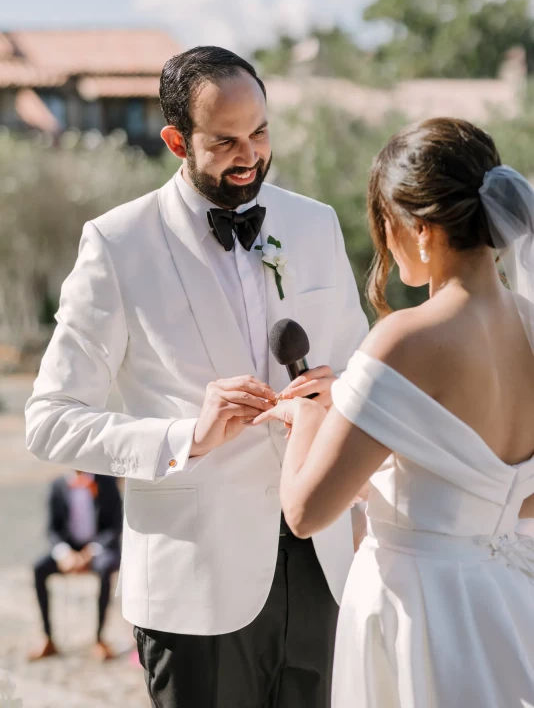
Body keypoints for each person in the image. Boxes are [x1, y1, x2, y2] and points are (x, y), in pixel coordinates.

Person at [25, 46, 369, 707]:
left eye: (261, 132)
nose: (250, 156)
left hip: (325, 571)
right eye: (226, 141)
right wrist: (187, 435)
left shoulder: (315, 224)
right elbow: (49, 421)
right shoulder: (117, 244)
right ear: (176, 140)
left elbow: (355, 369)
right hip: (196, 589)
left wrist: (335, 395)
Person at [256, 118, 534, 708]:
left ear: (419, 226)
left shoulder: (404, 339)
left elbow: (307, 511)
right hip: (510, 604)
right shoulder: (531, 324)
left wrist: (310, 417)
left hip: (421, 614)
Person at [29, 471, 122, 662]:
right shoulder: (57, 484)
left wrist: (90, 553)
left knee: (105, 569)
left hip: (98, 549)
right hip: (69, 550)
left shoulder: (107, 482)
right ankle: (48, 638)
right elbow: (52, 530)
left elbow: (115, 526)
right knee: (39, 568)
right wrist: (65, 553)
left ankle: (99, 638)